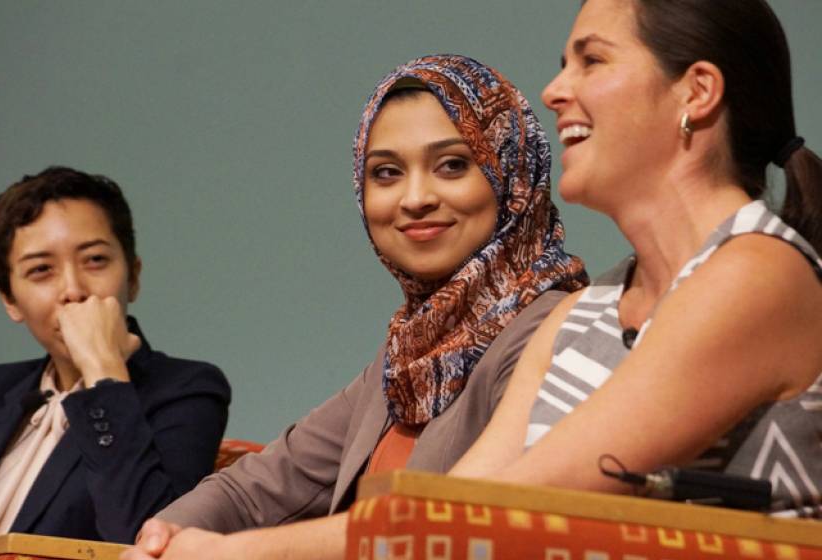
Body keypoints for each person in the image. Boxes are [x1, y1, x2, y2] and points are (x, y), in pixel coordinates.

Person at [123, 54, 588, 559]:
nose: (414, 198)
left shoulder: (553, 330)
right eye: (386, 173)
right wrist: (159, 539)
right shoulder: (405, 359)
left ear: (514, 174)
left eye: (452, 165)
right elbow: (249, 491)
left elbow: (457, 537)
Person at [449, 0, 822, 517]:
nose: (553, 93)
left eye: (592, 61)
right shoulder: (575, 318)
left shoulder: (759, 274)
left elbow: (506, 508)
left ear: (697, 92)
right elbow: (442, 509)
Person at [0, 167, 231, 551]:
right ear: (9, 300)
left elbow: (149, 546)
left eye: (95, 260)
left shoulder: (187, 390)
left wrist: (103, 372)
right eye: (41, 270)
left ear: (134, 276)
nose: (74, 290)